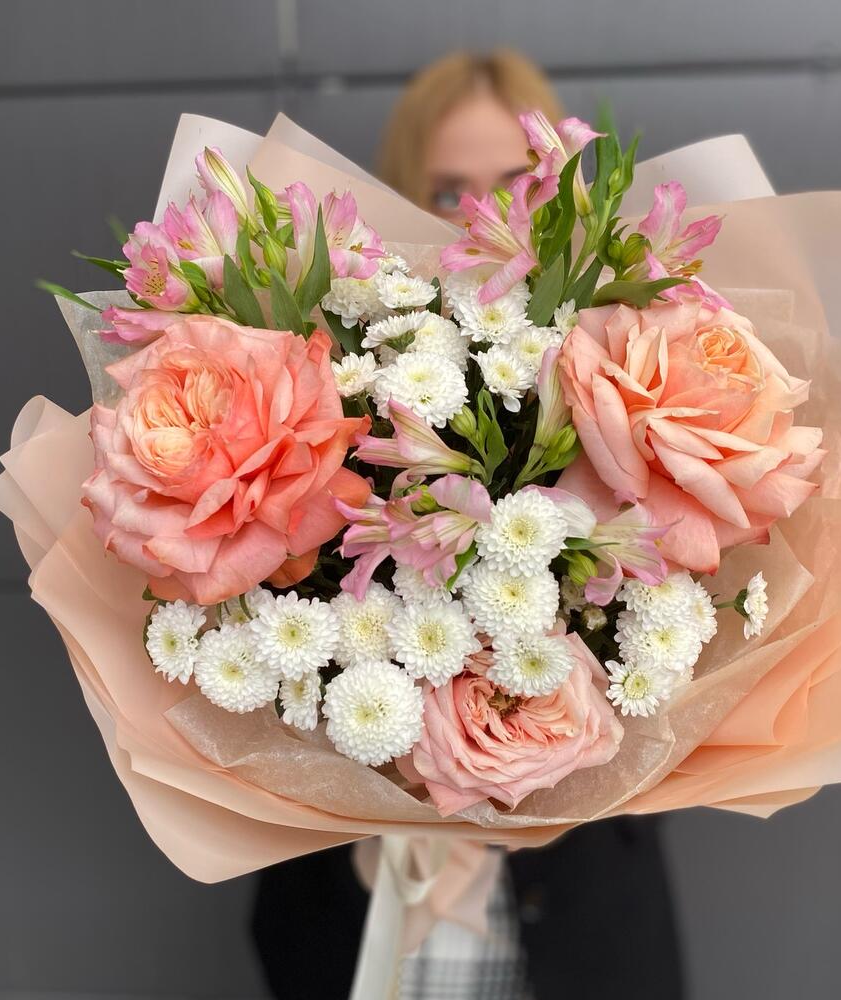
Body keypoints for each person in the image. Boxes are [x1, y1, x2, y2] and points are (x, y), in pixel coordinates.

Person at [252, 49, 685, 1000]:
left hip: (581, 925)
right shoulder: (335, 387)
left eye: (520, 184)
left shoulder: (618, 379)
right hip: (373, 910)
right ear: (400, 201)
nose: (486, 218)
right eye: (449, 192)